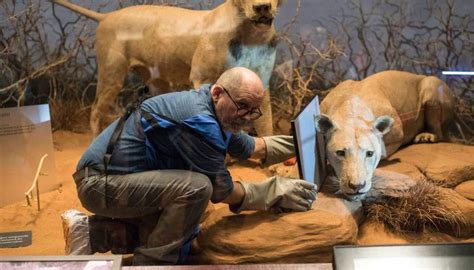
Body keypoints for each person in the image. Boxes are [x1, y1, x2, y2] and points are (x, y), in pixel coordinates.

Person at [63, 67, 317, 265]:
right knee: (196, 189)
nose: (247, 117)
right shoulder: (200, 120)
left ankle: (89, 233)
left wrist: (307, 139)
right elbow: (224, 192)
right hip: (99, 185)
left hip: (120, 181)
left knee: (184, 222)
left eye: (253, 111)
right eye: (242, 106)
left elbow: (252, 147)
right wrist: (276, 191)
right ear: (218, 93)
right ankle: (152, 264)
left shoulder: (217, 111)